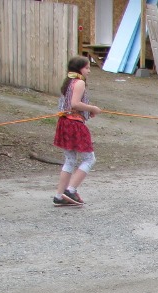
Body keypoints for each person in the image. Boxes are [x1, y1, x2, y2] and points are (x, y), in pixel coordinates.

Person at [53, 56, 101, 207]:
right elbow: (75, 103)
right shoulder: (79, 82)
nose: (89, 71)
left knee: (70, 159)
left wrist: (86, 113)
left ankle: (59, 195)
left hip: (65, 122)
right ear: (79, 69)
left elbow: (70, 104)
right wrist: (92, 108)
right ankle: (70, 190)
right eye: (87, 68)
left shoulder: (68, 82)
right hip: (74, 125)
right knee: (89, 159)